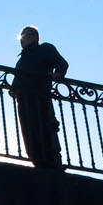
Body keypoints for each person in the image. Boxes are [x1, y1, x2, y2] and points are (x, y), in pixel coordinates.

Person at [11, 25, 68, 170]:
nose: (23, 38)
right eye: (21, 35)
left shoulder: (45, 49)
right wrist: (13, 90)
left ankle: (54, 165)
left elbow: (61, 63)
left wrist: (58, 74)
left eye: (27, 34)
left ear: (36, 37)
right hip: (23, 101)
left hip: (40, 98)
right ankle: (39, 164)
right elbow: (15, 82)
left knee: (45, 130)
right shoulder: (21, 60)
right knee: (29, 134)